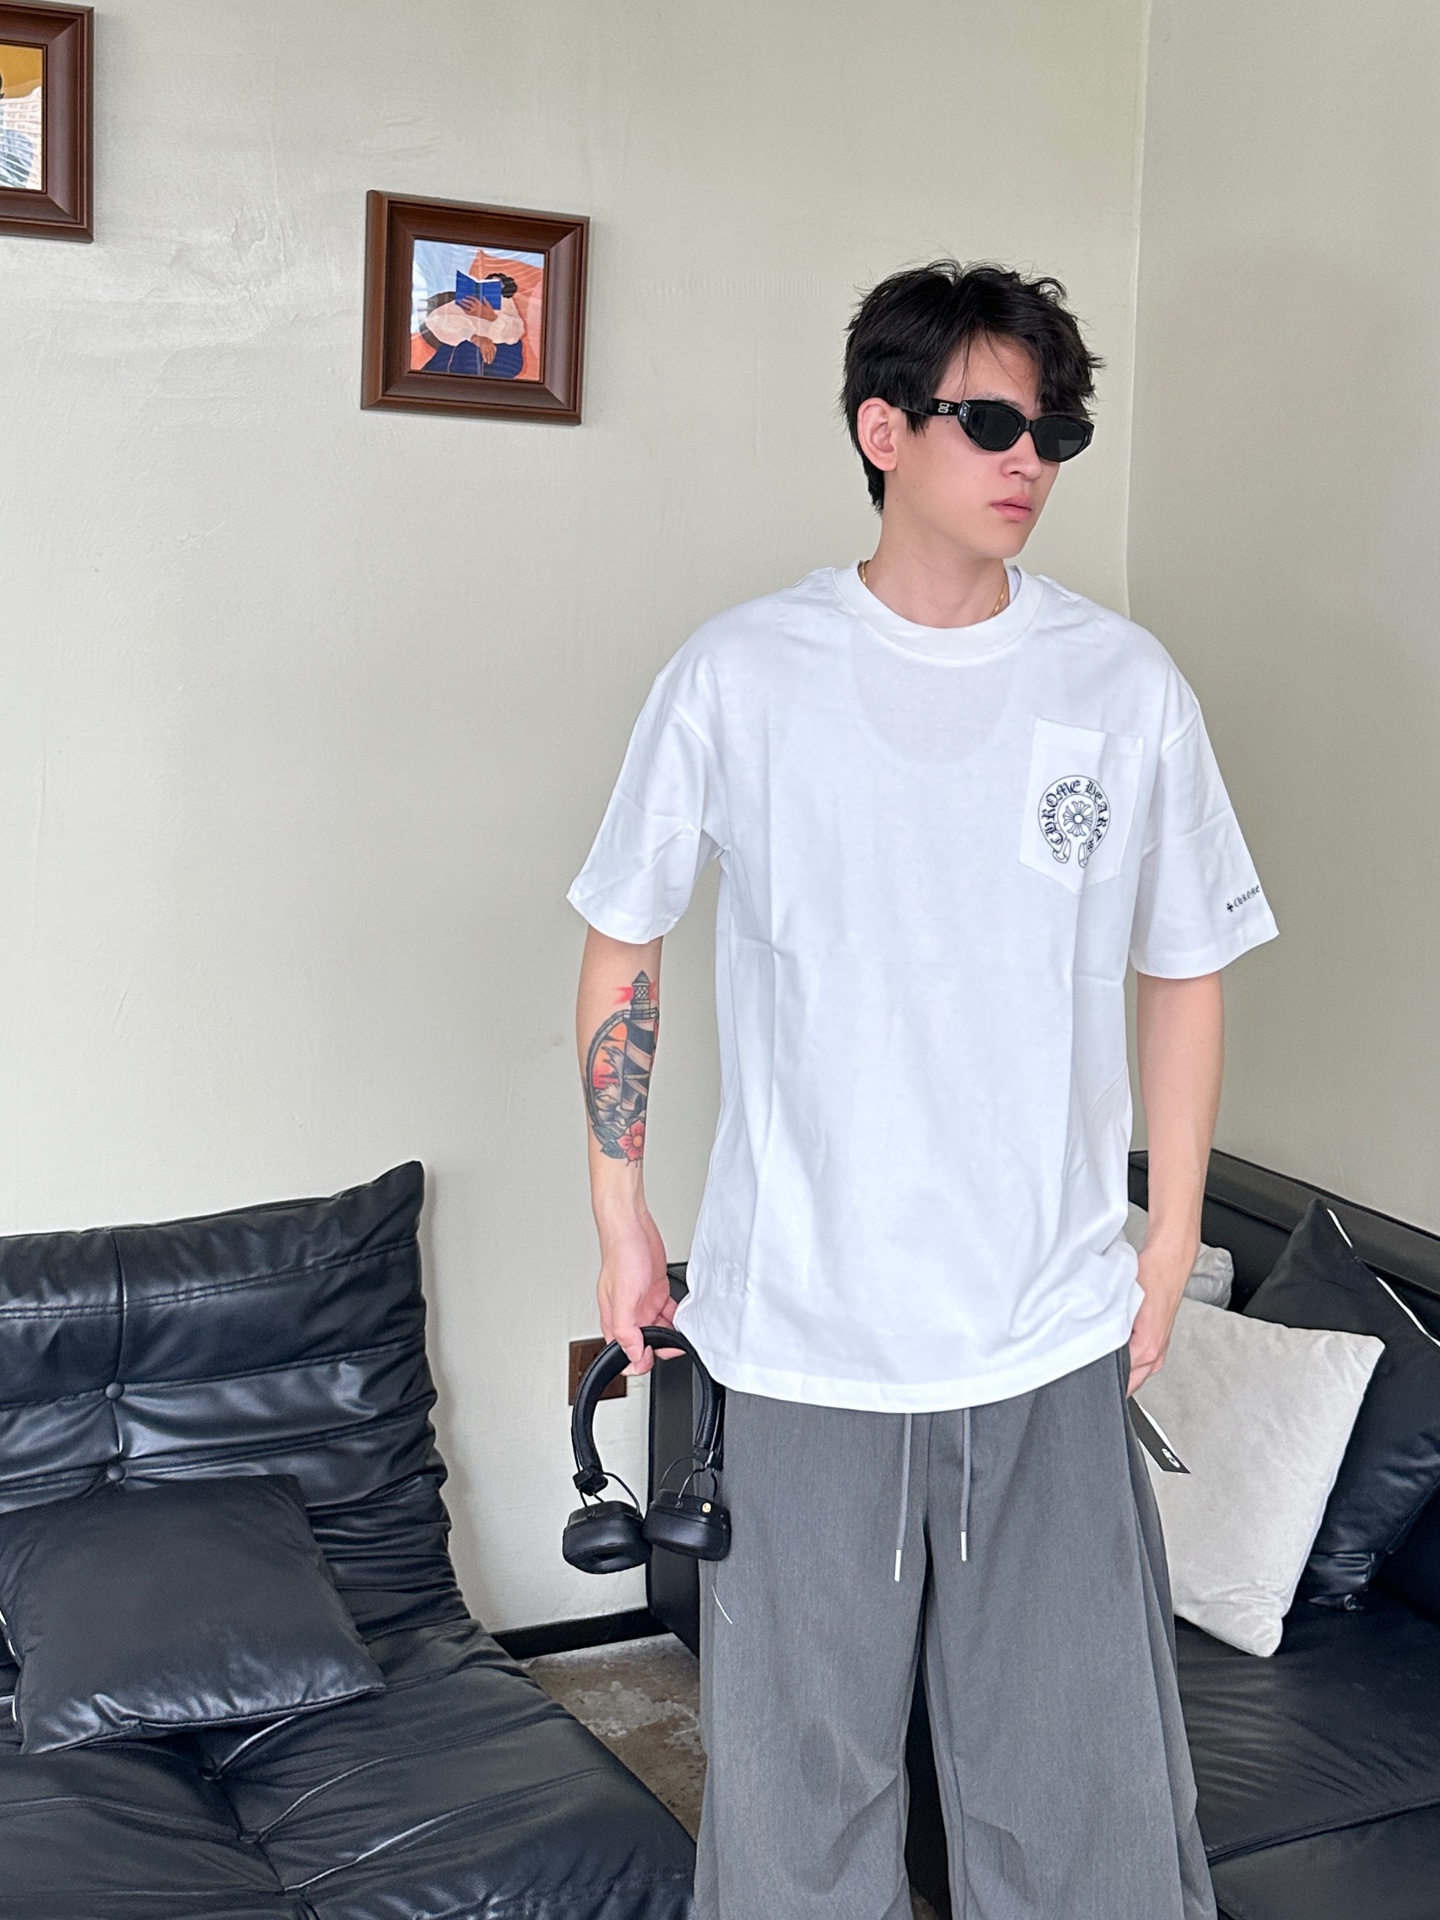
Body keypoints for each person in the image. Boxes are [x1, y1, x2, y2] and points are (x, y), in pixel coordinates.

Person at [567, 260, 1278, 1920]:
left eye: (1055, 431)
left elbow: (1184, 963)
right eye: (991, 423)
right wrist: (622, 1218)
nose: (1031, 459)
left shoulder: (1123, 685)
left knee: (1082, 1817)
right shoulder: (742, 674)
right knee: (799, 1825)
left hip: (1045, 1332)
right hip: (805, 1336)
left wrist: (1171, 1234)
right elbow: (623, 942)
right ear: (883, 431)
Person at [414, 272, 525, 377]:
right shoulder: (468, 301)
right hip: (465, 351)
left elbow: (515, 332)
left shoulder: (507, 304)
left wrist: (492, 317)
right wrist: (473, 336)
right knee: (465, 351)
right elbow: (435, 319)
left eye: (499, 285)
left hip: (501, 354)